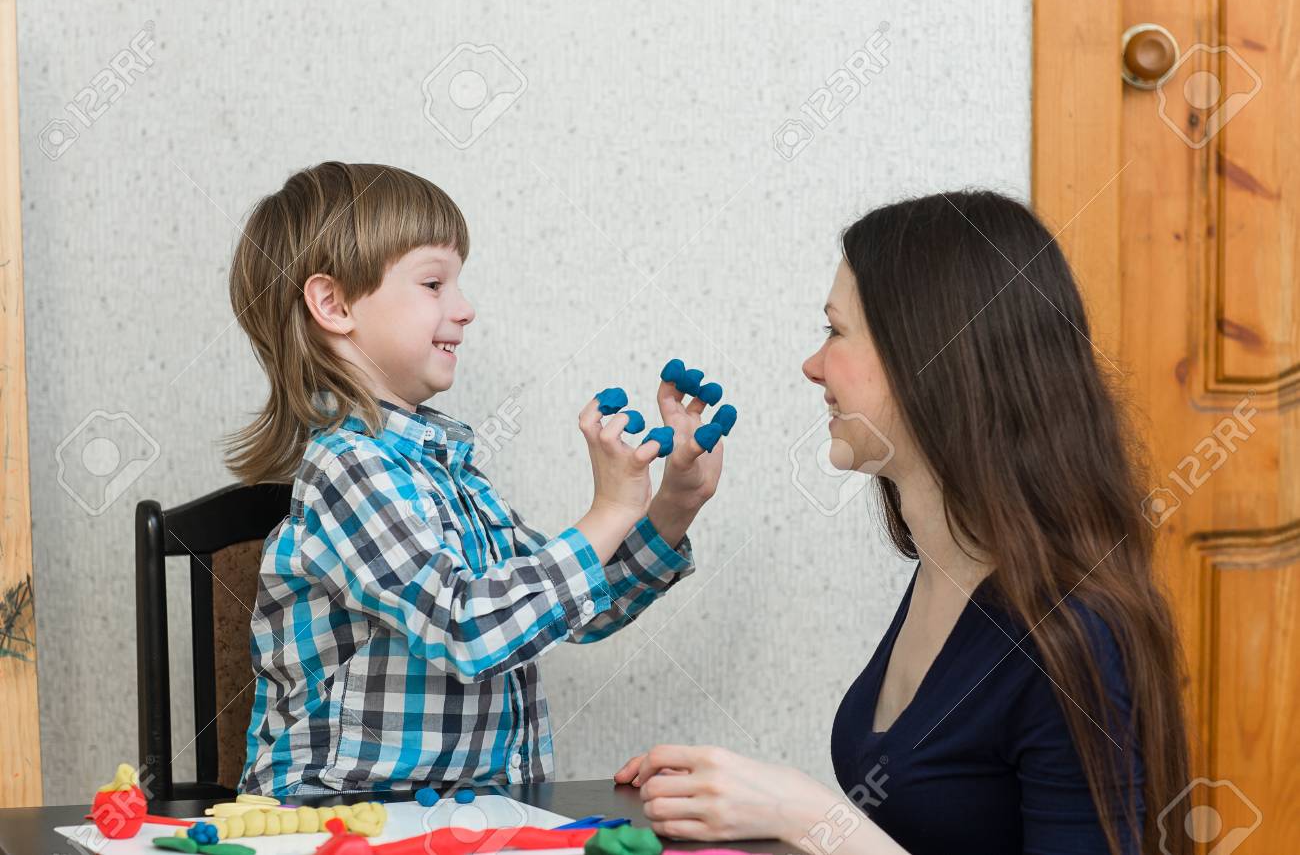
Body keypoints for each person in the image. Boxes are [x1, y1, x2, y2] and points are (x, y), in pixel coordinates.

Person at [615, 190, 1191, 855]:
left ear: (929, 356)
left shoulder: (1076, 636)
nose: (812, 366)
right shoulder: (948, 571)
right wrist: (756, 803)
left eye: (835, 331)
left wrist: (805, 813)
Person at [221, 161, 724, 795]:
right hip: (342, 820)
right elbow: (467, 630)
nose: (465, 310)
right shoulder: (346, 469)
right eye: (434, 283)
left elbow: (570, 611)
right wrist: (610, 510)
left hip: (467, 817)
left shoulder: (450, 473)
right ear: (334, 304)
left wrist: (673, 503)